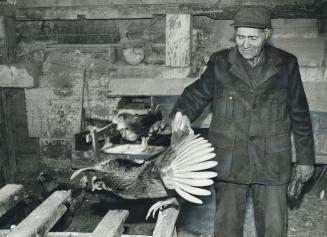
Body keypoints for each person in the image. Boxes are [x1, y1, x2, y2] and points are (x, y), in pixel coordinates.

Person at [152, 6, 315, 237]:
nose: (245, 44)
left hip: (272, 161)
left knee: (274, 229)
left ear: (267, 34)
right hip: (230, 160)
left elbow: (300, 114)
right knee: (227, 228)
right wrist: (182, 113)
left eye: (252, 38)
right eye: (240, 37)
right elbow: (196, 94)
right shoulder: (220, 63)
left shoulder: (286, 64)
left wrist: (306, 160)